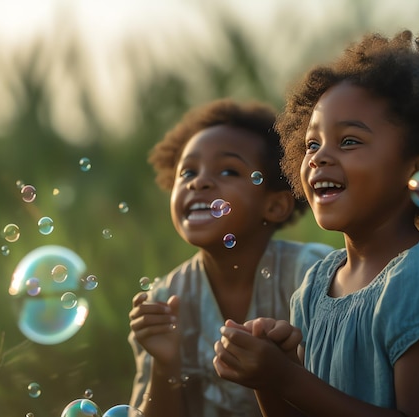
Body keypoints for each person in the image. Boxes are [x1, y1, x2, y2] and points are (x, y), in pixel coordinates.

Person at [213, 21, 419, 417]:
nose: (319, 157)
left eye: (350, 141)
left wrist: (288, 379)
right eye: (311, 144)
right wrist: (271, 375)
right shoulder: (314, 287)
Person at [128, 98, 334, 417]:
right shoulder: (165, 301)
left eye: (228, 170)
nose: (199, 182)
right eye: (187, 172)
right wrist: (164, 363)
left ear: (275, 205)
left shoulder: (315, 276)